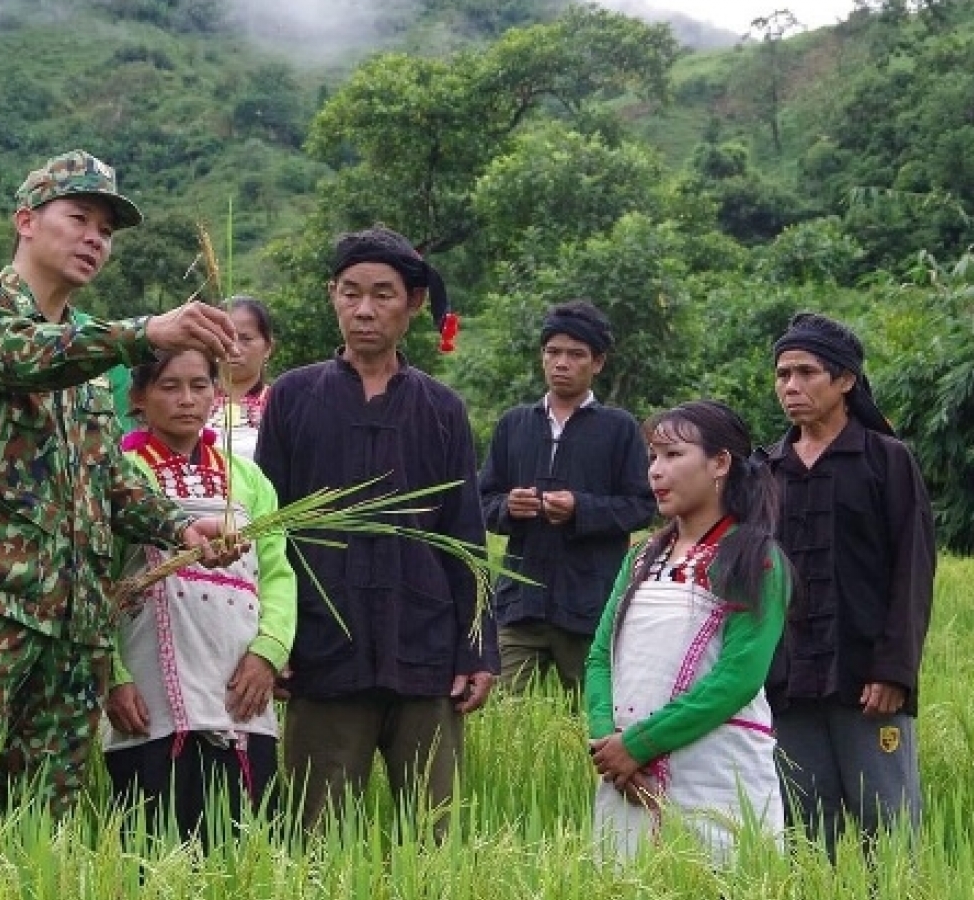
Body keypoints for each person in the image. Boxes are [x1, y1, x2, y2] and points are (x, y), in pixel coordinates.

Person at [0, 149, 243, 862]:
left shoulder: (88, 372)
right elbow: (26, 354)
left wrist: (181, 521)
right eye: (78, 217)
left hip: (74, 628)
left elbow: (108, 480)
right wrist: (144, 334)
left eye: (106, 230)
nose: (94, 238)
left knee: (37, 826)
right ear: (26, 220)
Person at [253, 225, 497, 837]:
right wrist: (271, 641)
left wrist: (477, 650)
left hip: (426, 648)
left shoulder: (442, 409)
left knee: (436, 837)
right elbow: (268, 529)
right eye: (351, 292)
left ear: (413, 304)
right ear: (332, 295)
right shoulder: (292, 397)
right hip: (322, 647)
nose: (364, 310)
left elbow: (465, 535)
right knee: (318, 836)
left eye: (383, 294)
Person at [101, 348, 297, 843]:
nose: (186, 400)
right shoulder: (119, 476)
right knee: (155, 844)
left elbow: (277, 574)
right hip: (149, 696)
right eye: (169, 386)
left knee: (244, 845)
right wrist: (113, 677)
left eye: (199, 385)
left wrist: (268, 653)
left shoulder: (250, 479)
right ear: (139, 397)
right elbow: (93, 581)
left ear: (217, 392)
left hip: (240, 686)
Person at [760, 312, 935, 858]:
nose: (791, 386)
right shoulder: (765, 468)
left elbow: (914, 567)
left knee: (887, 829)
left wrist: (894, 669)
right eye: (783, 373)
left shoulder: (887, 459)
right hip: (787, 682)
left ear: (845, 381)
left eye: (807, 372)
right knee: (807, 835)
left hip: (866, 681)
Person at [586, 400, 791, 864]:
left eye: (673, 456)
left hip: (716, 771)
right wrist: (609, 745)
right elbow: (601, 656)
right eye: (653, 457)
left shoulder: (756, 559)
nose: (656, 471)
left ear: (720, 463)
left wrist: (637, 745)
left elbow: (738, 678)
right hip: (626, 777)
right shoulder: (640, 559)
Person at [478, 301, 654, 694]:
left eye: (576, 354)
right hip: (519, 604)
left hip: (589, 605)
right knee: (506, 716)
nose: (562, 363)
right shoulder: (514, 424)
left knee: (592, 721)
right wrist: (509, 507)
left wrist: (581, 508)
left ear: (598, 363)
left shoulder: (618, 428)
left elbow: (642, 507)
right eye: (553, 352)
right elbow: (481, 501)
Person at [206, 296, 277, 461]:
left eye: (246, 339)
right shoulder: (192, 401)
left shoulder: (279, 405)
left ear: (268, 348)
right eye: (225, 338)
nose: (234, 349)